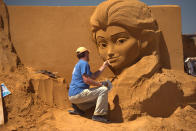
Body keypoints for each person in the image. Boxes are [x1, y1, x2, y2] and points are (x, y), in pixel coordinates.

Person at [68, 47, 110, 123]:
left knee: (99, 99)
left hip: (73, 97)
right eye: (88, 53)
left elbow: (93, 76)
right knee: (103, 90)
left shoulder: (79, 64)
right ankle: (98, 116)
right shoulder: (84, 63)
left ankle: (78, 109)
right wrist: (100, 84)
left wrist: (104, 66)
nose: (89, 55)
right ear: (86, 54)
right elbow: (86, 80)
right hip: (78, 93)